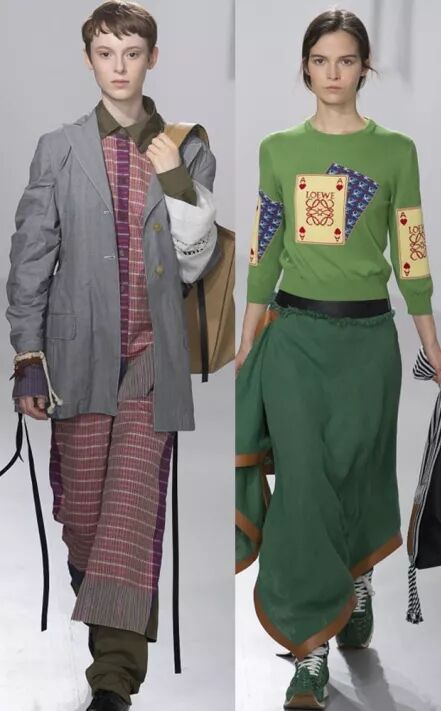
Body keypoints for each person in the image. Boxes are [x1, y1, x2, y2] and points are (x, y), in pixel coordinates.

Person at [235, 9, 441, 710]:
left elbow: (411, 251)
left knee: (359, 473)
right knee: (303, 485)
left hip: (367, 344)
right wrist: (246, 340)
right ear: (305, 67)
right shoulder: (279, 150)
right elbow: (265, 249)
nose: (333, 73)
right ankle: (310, 649)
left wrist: (431, 340)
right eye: (321, 60)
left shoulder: (396, 152)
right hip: (296, 341)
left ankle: (355, 584)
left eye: (347, 60)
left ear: (366, 68)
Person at [6, 2, 219, 709]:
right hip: (76, 357)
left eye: (132, 52)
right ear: (89, 59)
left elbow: (196, 264)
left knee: (130, 511)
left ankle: (114, 681)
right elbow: (31, 257)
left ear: (153, 58)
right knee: (84, 517)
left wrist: (177, 179)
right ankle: (97, 598)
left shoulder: (187, 147)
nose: (119, 66)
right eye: (106, 52)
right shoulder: (59, 148)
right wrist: (27, 354)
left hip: (152, 361)